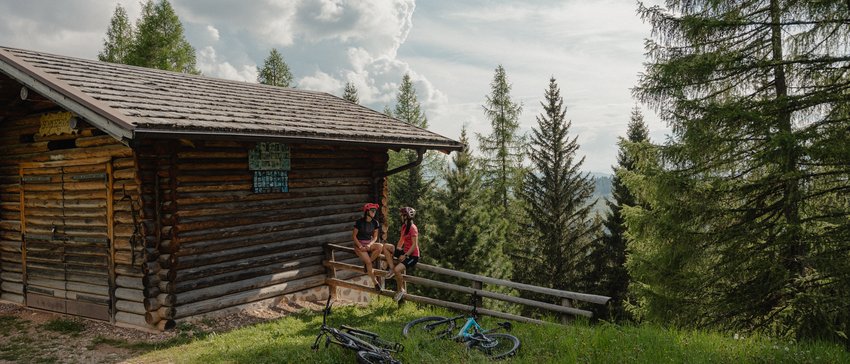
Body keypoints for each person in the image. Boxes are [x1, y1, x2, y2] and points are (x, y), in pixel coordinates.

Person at [382, 206, 420, 302]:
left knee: (397, 270)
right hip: (405, 252)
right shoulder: (404, 227)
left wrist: (405, 255)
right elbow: (401, 241)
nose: (401, 217)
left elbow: (414, 245)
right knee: (386, 247)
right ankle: (391, 268)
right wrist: (397, 251)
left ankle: (401, 290)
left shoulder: (413, 228)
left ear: (406, 216)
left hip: (413, 256)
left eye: (402, 215)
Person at [353, 202, 383, 291]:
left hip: (368, 244)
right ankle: (376, 283)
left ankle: (367, 264)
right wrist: (360, 246)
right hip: (359, 245)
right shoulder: (359, 222)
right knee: (369, 263)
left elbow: (375, 237)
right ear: (367, 211)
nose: (374, 212)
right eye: (372, 210)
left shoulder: (375, 223)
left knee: (380, 246)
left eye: (375, 211)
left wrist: (370, 244)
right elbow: (354, 236)